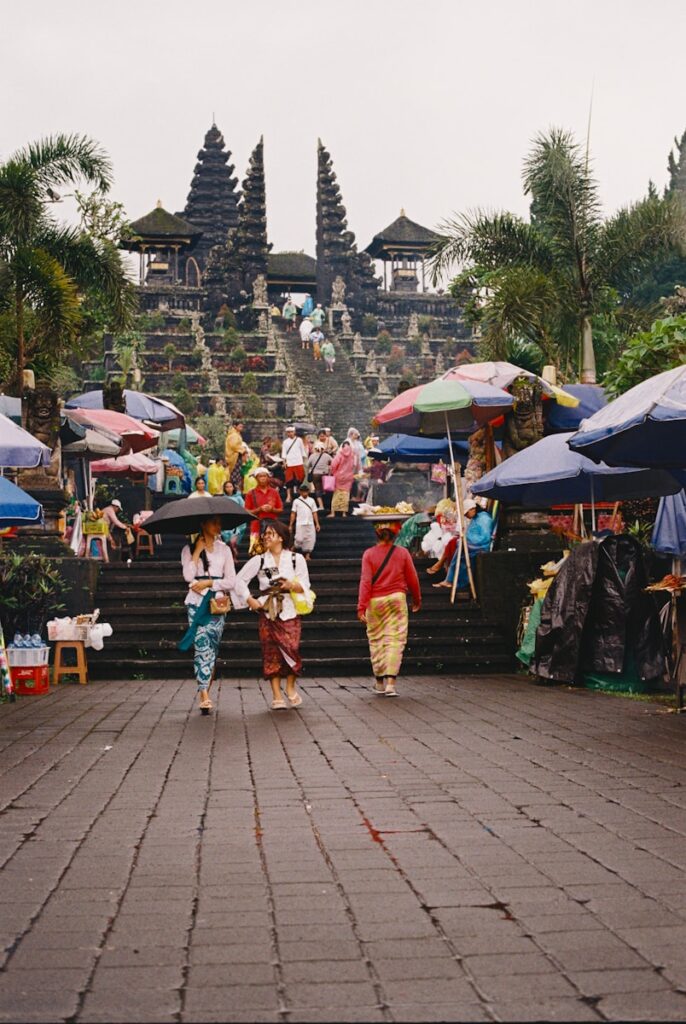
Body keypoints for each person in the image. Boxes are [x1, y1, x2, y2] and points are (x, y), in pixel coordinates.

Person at [237, 520, 310, 710]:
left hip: (289, 609)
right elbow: (239, 580)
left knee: (292, 647)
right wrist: (249, 599)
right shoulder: (260, 560)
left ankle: (291, 686)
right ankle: (277, 695)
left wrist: (291, 585)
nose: (266, 537)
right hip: (268, 610)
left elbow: (305, 584)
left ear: (281, 537)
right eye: (265, 534)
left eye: (271, 534)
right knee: (270, 652)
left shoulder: (296, 559)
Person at [357, 521, 421, 697]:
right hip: (397, 599)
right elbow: (412, 578)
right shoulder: (403, 553)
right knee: (395, 639)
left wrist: (361, 606)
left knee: (377, 640)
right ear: (395, 534)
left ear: (376, 534)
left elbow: (365, 581)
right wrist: (417, 599)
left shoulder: (368, 554)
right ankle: (391, 683)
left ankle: (379, 682)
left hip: (375, 601)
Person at [180, 515, 236, 713]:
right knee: (201, 644)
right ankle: (204, 693)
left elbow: (231, 580)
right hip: (196, 602)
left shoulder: (225, 549)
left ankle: (206, 688)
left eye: (219, 523)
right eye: (214, 522)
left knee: (211, 646)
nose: (217, 526)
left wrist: (210, 583)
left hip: (216, 603)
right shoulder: (189, 549)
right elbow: (187, 576)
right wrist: (197, 551)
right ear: (203, 524)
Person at [434, 499, 494, 593]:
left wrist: (466, 539)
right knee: (458, 550)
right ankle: (450, 580)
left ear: (472, 509)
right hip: (474, 544)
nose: (466, 516)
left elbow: (484, 538)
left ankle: (453, 581)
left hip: (481, 546)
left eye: (466, 513)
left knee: (461, 553)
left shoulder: (484, 519)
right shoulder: (476, 518)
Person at [244, 466, 283, 552]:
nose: (262, 478)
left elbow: (280, 509)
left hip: (272, 527)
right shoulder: (251, 493)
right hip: (256, 528)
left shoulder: (274, 492)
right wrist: (259, 509)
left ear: (268, 478)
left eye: (264, 476)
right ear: (256, 478)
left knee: (273, 553)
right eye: (260, 476)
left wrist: (272, 509)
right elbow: (246, 511)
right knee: (257, 554)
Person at [328, 439, 359, 517]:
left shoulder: (340, 454)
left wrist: (333, 472)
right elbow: (355, 466)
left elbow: (333, 465)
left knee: (336, 494)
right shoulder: (353, 455)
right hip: (348, 477)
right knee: (346, 495)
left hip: (339, 477)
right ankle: (344, 513)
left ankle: (333, 512)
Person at [289, 482, 320, 559]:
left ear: (308, 491)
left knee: (310, 539)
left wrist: (317, 523)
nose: (304, 492)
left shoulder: (312, 500)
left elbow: (314, 512)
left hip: (310, 523)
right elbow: (293, 513)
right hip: (300, 522)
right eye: (302, 491)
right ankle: (293, 548)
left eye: (306, 491)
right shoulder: (296, 501)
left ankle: (307, 555)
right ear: (299, 491)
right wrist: (290, 524)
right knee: (299, 538)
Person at [220, 479, 247, 560]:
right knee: (228, 542)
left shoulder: (238, 498)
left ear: (233, 487)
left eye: (230, 486)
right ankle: (232, 557)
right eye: (227, 487)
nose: (228, 488)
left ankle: (234, 556)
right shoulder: (222, 499)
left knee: (233, 541)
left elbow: (243, 508)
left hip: (237, 522)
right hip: (226, 522)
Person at [281, 425, 307, 504]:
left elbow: (302, 450)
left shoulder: (299, 440)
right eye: (288, 432)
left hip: (298, 462)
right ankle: (289, 496)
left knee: (299, 479)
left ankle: (300, 495)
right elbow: (284, 453)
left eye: (291, 432)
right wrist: (284, 462)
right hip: (289, 463)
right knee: (289, 480)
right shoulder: (285, 442)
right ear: (287, 433)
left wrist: (304, 460)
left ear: (294, 432)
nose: (290, 433)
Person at [101, 498, 133, 562]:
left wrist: (125, 525)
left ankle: (110, 559)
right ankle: (111, 559)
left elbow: (113, 523)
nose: (117, 510)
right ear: (115, 507)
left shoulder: (108, 510)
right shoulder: (110, 510)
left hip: (105, 529)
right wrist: (125, 527)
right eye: (118, 508)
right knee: (112, 543)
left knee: (112, 541)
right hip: (103, 529)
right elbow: (116, 522)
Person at [307, 442, 332, 510]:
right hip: (325, 474)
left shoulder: (312, 456)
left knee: (318, 490)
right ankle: (329, 505)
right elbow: (332, 462)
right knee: (326, 489)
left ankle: (321, 506)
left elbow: (308, 465)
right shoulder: (327, 456)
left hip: (316, 474)